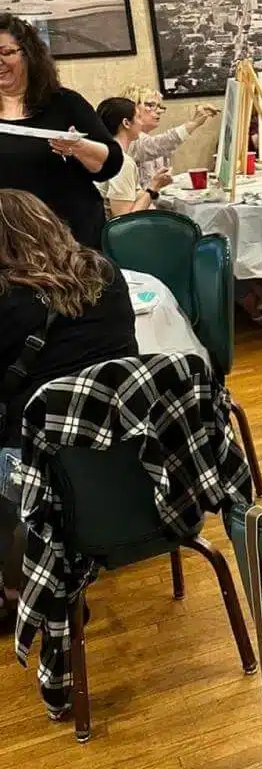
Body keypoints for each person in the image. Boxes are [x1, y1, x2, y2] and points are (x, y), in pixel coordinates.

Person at [0, 190, 136, 627]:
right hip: (125, 454)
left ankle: (18, 586)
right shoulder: (107, 275)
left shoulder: (8, 301)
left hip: (38, 468)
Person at [0, 14, 123, 249]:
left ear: (28, 55)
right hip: (8, 243)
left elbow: (112, 163)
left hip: (68, 240)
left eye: (6, 53)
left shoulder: (65, 103)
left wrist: (79, 147)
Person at [124, 85, 218, 186]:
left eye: (160, 107)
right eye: (151, 105)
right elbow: (158, 144)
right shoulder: (130, 142)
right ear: (132, 109)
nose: (159, 111)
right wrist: (193, 123)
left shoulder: (147, 143)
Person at [96, 97, 174, 217]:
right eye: (138, 117)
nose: (141, 122)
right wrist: (153, 188)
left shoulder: (101, 153)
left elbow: (134, 199)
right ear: (126, 123)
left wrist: (155, 184)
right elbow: (124, 221)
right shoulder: (121, 162)